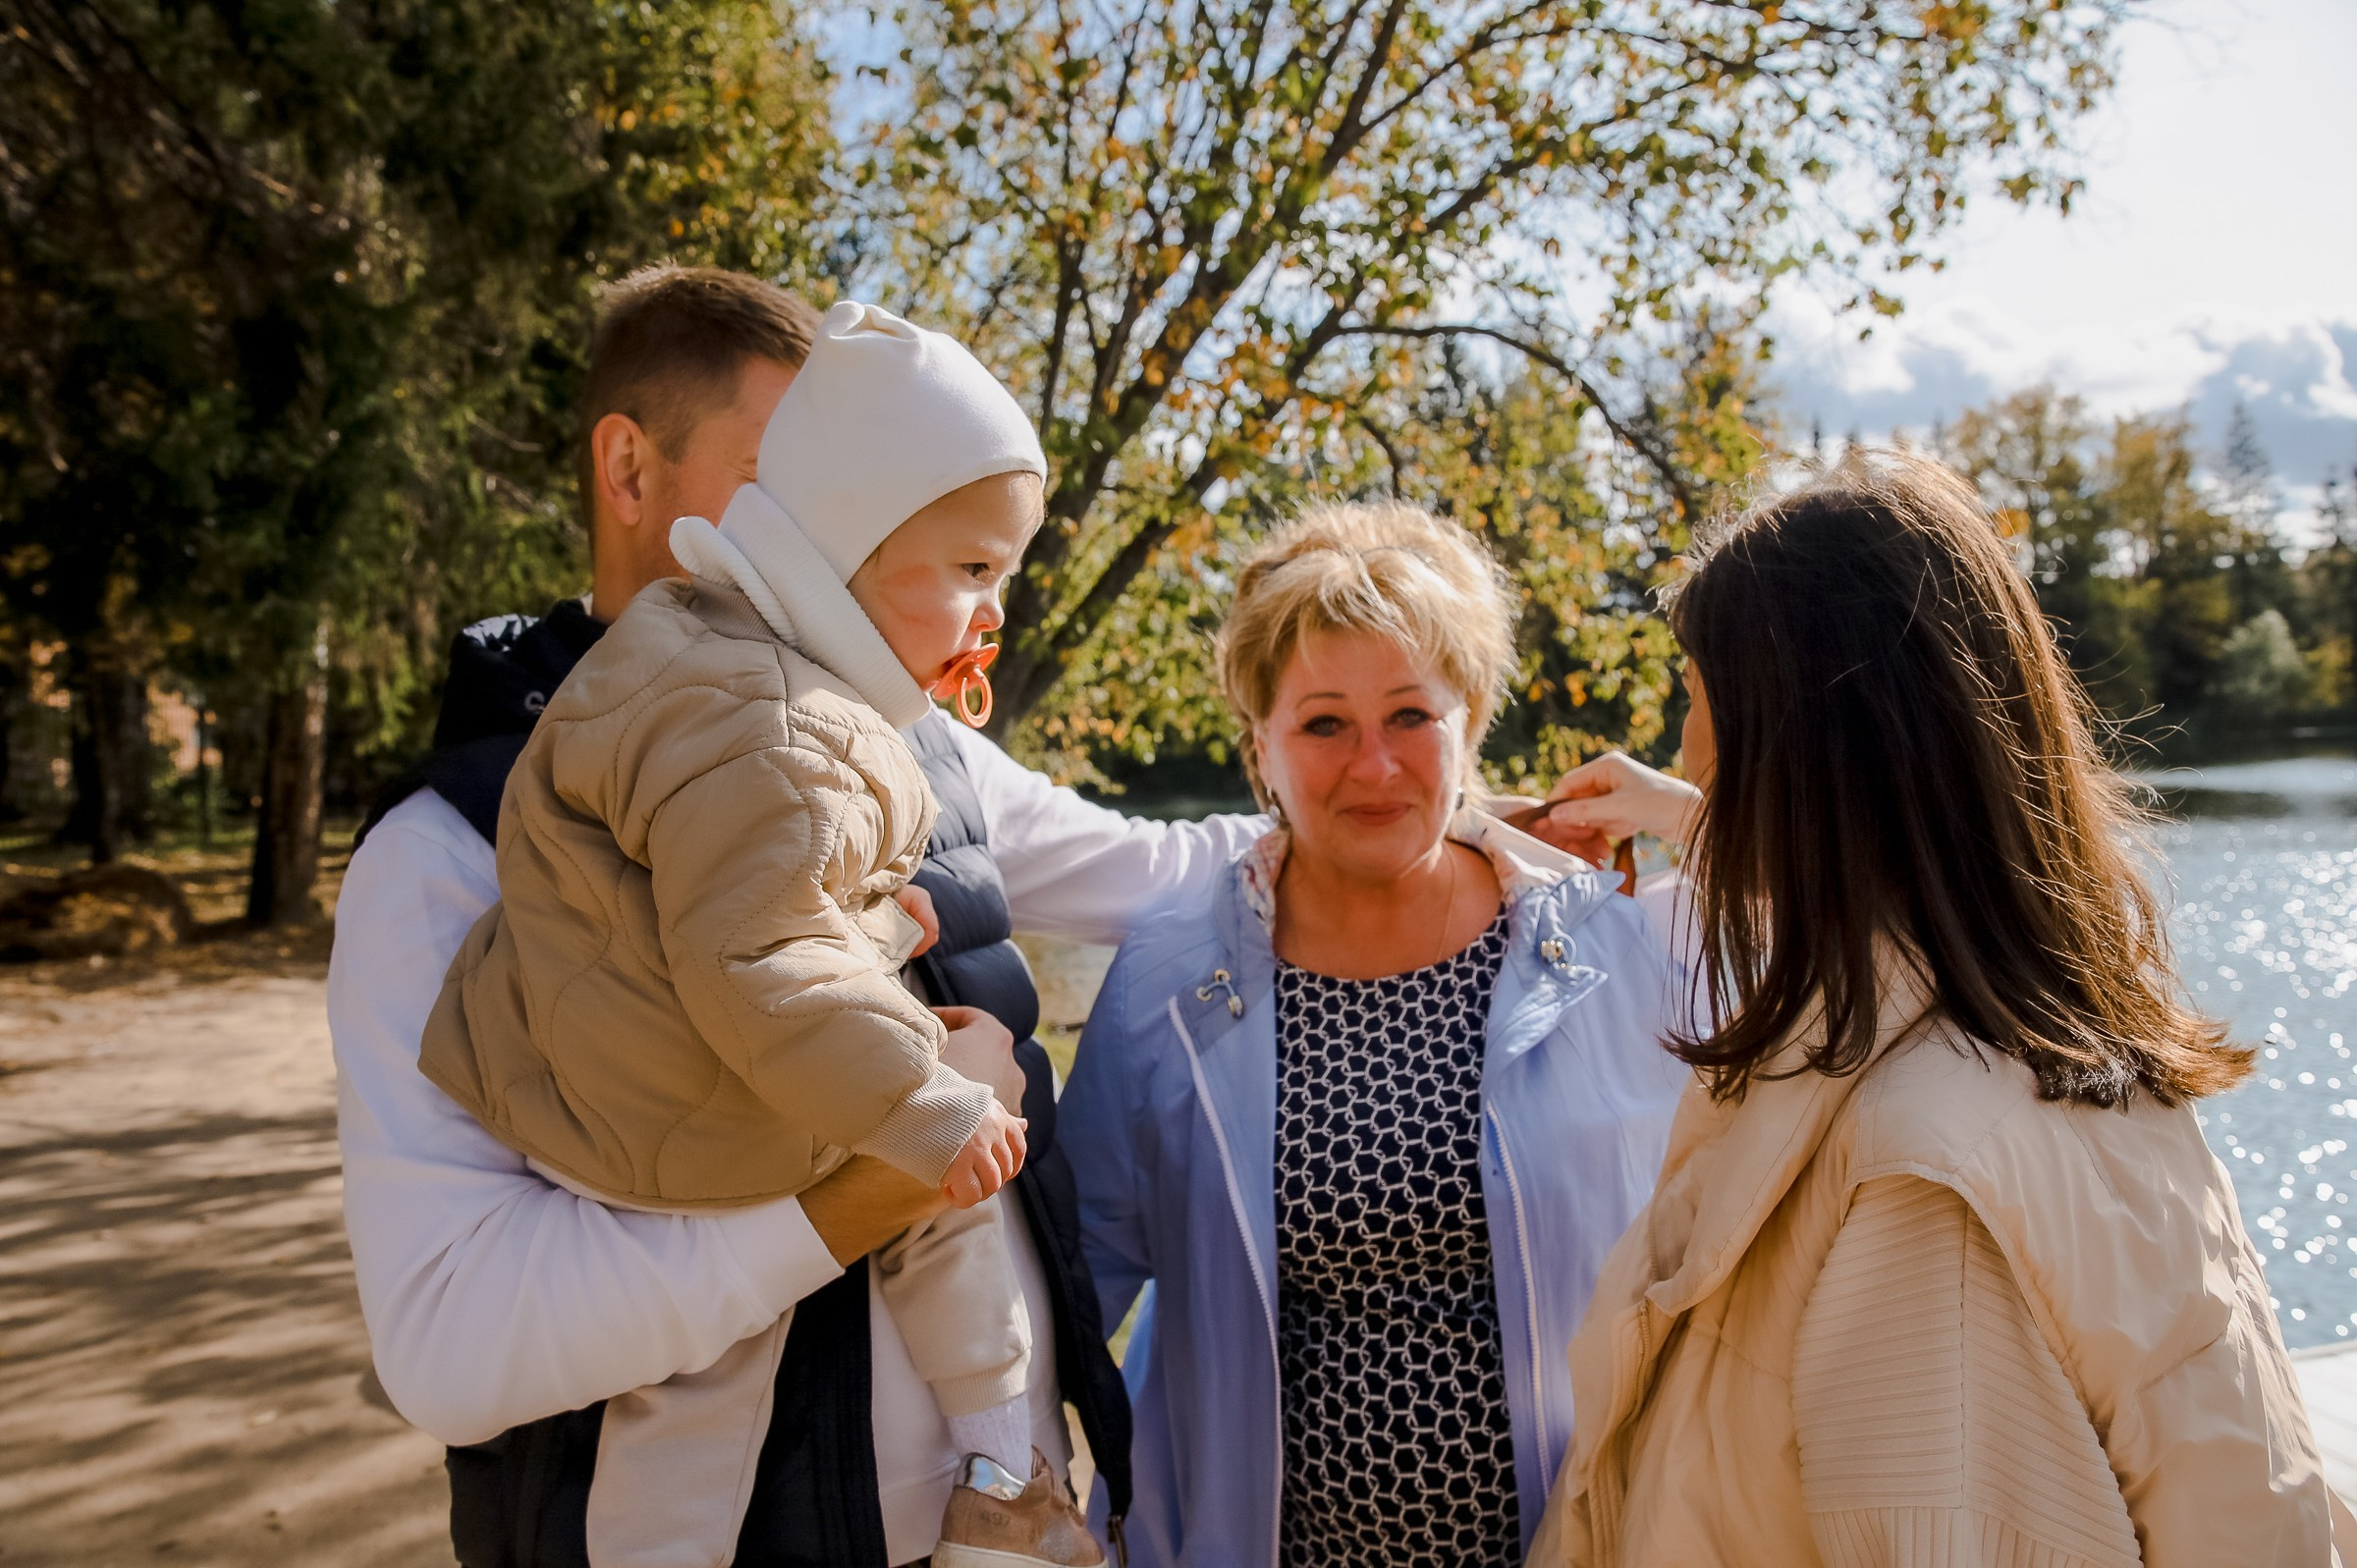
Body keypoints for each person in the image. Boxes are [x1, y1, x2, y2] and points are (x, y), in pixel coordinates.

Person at [329, 265, 1266, 1567]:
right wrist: (865, 1193)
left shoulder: (919, 746)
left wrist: (1455, 813)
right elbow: (449, 1346)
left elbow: (1164, 869)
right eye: (785, 470)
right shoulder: (449, 847)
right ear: (629, 468)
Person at [1531, 454, 2337, 1567]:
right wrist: (1686, 818)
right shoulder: (2049, 1037)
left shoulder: (1921, 1198)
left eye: (1696, 695)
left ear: (1800, 754)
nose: (1687, 744)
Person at [1057, 501, 1692, 1568]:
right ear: (1259, 744)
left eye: (1410, 716)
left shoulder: (1606, 949)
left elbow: (1877, 952)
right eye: (1324, 725)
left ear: (1468, 725)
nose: (1375, 766)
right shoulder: (1164, 983)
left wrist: (1689, 813)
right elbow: (1067, 1299)